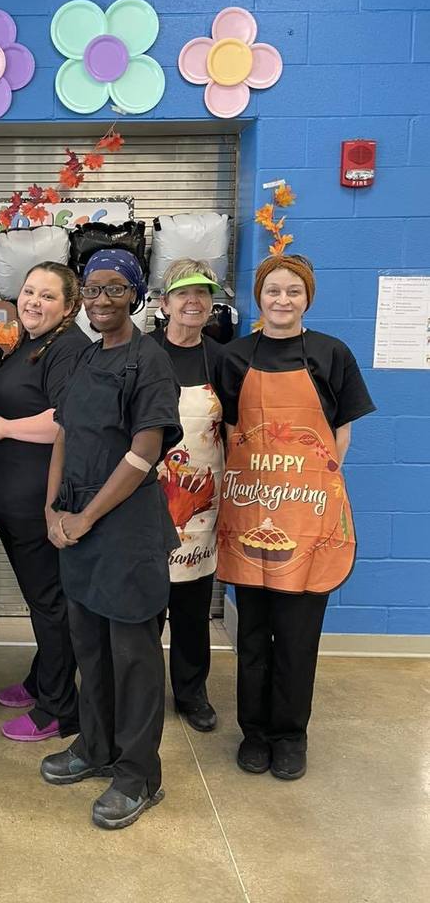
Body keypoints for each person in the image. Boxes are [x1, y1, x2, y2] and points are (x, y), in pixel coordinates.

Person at [216, 254, 375, 781]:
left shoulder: (332, 354)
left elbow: (342, 431)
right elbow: (224, 433)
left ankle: (290, 735)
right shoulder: (234, 357)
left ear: (308, 298)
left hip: (309, 516)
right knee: (254, 634)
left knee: (299, 636)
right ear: (258, 298)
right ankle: (254, 735)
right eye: (272, 291)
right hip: (251, 513)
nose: (282, 300)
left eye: (293, 292)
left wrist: (319, 488)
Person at [42, 249, 182, 831]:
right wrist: (52, 508)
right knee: (90, 649)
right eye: (93, 290)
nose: (102, 300)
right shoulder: (82, 359)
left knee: (134, 661)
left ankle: (138, 775)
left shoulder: (148, 363)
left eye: (114, 289)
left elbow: (142, 455)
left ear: (136, 294)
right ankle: (95, 748)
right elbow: (64, 438)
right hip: (76, 527)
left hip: (125, 533)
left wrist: (87, 517)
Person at [0, 263, 88, 742]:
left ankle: (59, 710)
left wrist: (4, 427)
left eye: (47, 296)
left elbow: (68, 419)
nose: (33, 302)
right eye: (28, 292)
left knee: (51, 606)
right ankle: (44, 680)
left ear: (69, 305)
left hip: (38, 504)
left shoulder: (68, 348)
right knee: (45, 602)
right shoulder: (28, 343)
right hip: (12, 504)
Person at [152, 259, 226, 733]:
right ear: (164, 303)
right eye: (183, 293)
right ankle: (137, 688)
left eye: (202, 293)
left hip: (203, 499)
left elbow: (236, 428)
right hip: (145, 495)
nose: (193, 301)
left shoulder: (223, 359)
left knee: (193, 609)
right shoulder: (140, 353)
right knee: (144, 607)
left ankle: (191, 692)